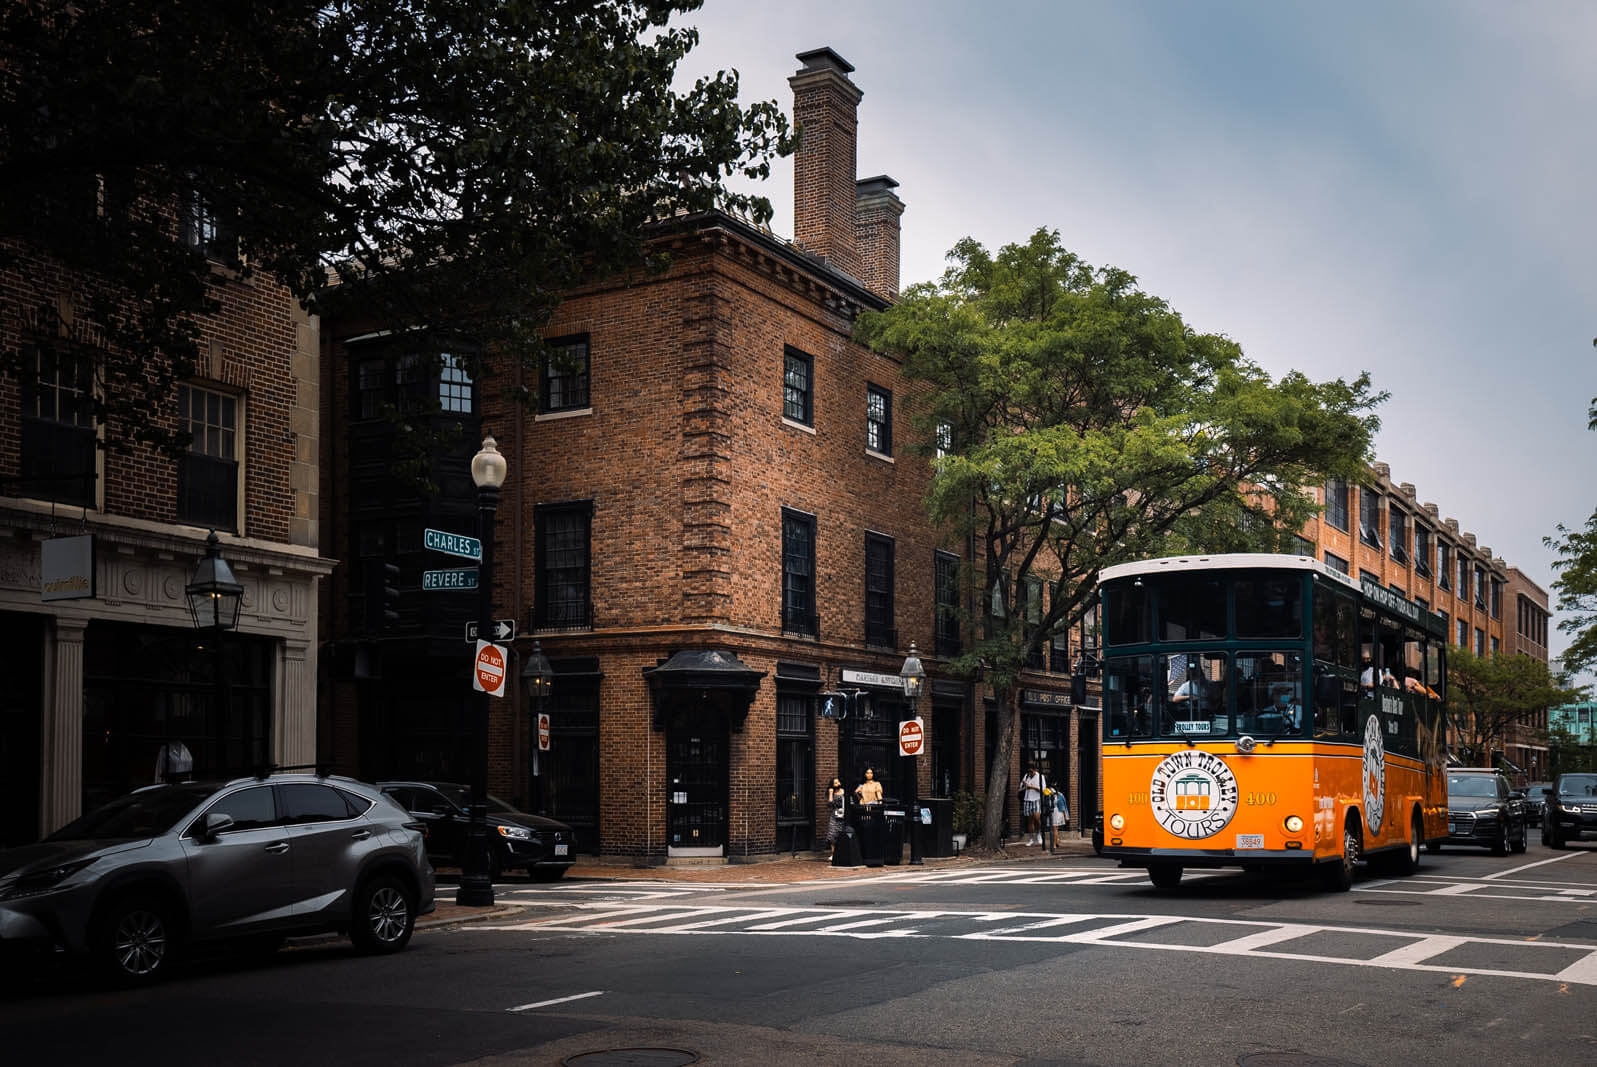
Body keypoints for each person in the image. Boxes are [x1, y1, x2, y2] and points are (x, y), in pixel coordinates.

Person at [1020, 763, 1046, 846]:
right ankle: (1031, 839)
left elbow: (1043, 790)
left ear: (1035, 770)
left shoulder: (1040, 777)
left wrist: (1032, 787)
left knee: (1037, 818)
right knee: (1029, 821)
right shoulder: (1026, 776)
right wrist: (1024, 784)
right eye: (1029, 772)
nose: (1030, 773)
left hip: (1036, 799)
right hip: (1027, 799)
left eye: (1031, 772)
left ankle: (1039, 834)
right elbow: (1021, 788)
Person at [825, 777, 847, 858]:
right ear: (832, 785)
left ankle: (841, 853)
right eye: (835, 783)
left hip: (844, 815)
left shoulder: (844, 791)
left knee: (841, 834)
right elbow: (830, 805)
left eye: (838, 782)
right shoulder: (832, 792)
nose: (838, 784)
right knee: (832, 834)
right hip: (835, 815)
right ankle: (833, 854)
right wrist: (830, 793)